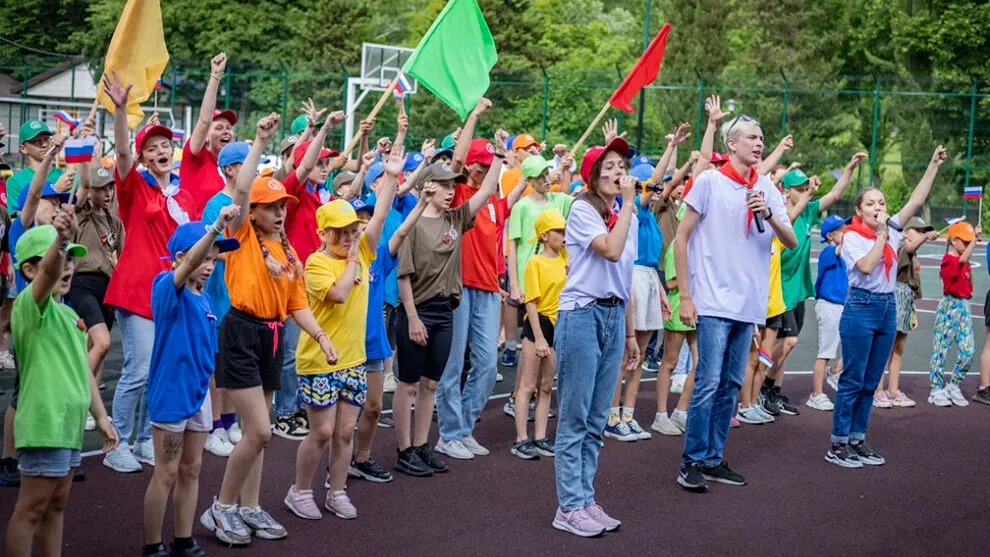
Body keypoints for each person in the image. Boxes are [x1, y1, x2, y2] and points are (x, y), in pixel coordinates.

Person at [200, 114, 335, 546]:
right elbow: (240, 190)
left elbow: (297, 305)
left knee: (260, 437)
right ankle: (220, 509)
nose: (280, 213)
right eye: (272, 208)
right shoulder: (239, 234)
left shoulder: (287, 249)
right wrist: (260, 140)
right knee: (258, 430)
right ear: (252, 212)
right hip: (240, 332)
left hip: (271, 337)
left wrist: (320, 335)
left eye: (283, 208)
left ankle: (251, 507)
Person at [674, 115, 796, 493]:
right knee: (708, 381)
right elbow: (681, 237)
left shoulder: (767, 190)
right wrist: (687, 296)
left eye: (762, 138)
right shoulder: (710, 181)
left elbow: (790, 240)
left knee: (730, 382)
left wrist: (770, 214)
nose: (759, 144)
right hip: (712, 300)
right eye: (752, 138)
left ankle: (712, 457)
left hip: (748, 303)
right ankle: (691, 460)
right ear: (732, 144)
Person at [284, 147, 400, 521]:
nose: (352, 237)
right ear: (325, 234)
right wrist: (351, 260)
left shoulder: (362, 250)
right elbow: (338, 294)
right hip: (319, 360)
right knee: (321, 431)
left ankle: (336, 490)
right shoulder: (316, 263)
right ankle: (299, 491)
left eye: (354, 230)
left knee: (346, 430)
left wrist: (393, 176)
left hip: (353, 358)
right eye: (343, 233)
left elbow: (380, 216)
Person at [101, 72, 199, 474]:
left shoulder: (186, 196)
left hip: (172, 293)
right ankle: (116, 440)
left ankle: (145, 438)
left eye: (166, 145)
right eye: (152, 147)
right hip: (138, 289)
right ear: (144, 158)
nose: (161, 151)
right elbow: (121, 155)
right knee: (138, 368)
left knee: (160, 368)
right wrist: (122, 110)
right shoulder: (135, 188)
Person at [826, 145, 945, 469]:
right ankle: (838, 444)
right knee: (852, 379)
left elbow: (916, 200)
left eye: (881, 202)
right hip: (860, 308)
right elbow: (865, 267)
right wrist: (881, 236)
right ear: (859, 210)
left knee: (870, 380)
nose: (878, 206)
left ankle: (857, 439)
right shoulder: (852, 237)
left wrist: (933, 164)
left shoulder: (891, 229)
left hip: (886, 307)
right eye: (871, 203)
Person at [5, 220, 118, 557]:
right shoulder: (30, 306)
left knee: (56, 506)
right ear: (29, 269)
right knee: (31, 509)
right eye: (59, 259)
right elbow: (44, 280)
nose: (67, 266)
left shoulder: (69, 317)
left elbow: (82, 371)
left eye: (71, 259)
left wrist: (101, 417)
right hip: (44, 426)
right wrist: (61, 242)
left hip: (66, 429)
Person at [551, 136, 639, 538]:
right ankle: (568, 506)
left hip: (613, 314)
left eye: (623, 166)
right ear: (592, 176)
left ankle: (585, 499)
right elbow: (611, 251)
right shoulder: (583, 209)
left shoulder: (626, 213)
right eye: (610, 166)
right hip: (582, 314)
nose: (619, 173)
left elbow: (626, 275)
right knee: (574, 414)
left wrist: (632, 330)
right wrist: (629, 206)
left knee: (597, 418)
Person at [143, 209, 241, 557]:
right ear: (182, 257)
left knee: (192, 468)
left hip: (198, 395)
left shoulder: (206, 298)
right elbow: (182, 272)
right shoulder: (167, 288)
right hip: (171, 394)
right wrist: (216, 226)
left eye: (215, 258)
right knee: (165, 473)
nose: (210, 264)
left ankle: (183, 539)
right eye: (204, 256)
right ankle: (152, 546)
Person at [392, 153, 498, 477]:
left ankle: (423, 446)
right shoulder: (413, 223)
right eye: (443, 185)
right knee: (407, 384)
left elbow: (485, 192)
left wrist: (500, 157)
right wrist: (412, 318)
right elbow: (403, 276)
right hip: (416, 311)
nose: (451, 190)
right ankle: (404, 449)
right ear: (428, 187)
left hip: (444, 311)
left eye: (453, 185)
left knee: (430, 385)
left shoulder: (455, 219)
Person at [435, 101, 523, 461]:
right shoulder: (458, 194)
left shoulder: (493, 200)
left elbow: (513, 194)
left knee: (487, 366)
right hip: (457, 286)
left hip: (488, 289)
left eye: (488, 166)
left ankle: (463, 428)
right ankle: (448, 433)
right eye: (479, 165)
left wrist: (507, 156)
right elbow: (454, 164)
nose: (483, 171)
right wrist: (473, 117)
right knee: (453, 365)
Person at [766, 153, 866, 416]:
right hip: (779, 287)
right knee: (788, 342)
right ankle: (762, 385)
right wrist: (809, 194)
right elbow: (787, 225)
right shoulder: (781, 213)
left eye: (805, 188)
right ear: (786, 192)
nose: (804, 192)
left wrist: (849, 168)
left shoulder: (809, 210)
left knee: (787, 345)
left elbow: (834, 194)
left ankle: (775, 390)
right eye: (799, 189)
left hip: (797, 288)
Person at [349, 183, 436, 484]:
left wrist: (421, 205)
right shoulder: (330, 262)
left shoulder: (378, 257)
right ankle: (334, 473)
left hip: (373, 346)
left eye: (366, 220)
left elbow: (399, 234)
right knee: (341, 420)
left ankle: (360, 458)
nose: (362, 226)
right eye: (356, 222)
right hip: (344, 349)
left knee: (373, 408)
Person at [274, 111, 347, 441]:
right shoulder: (296, 193)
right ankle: (284, 412)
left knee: (312, 348)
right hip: (292, 283)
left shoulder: (326, 198)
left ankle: (303, 406)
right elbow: (301, 168)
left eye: (326, 162)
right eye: (319, 161)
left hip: (319, 284)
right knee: (290, 352)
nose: (323, 165)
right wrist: (325, 129)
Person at [504, 154, 573, 418]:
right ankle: (518, 395)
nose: (547, 178)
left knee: (546, 343)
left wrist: (564, 169)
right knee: (531, 340)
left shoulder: (556, 200)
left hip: (552, 283)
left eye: (548, 173)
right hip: (528, 280)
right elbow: (513, 244)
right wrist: (514, 284)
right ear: (530, 180)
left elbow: (572, 199)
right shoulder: (521, 206)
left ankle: (535, 395)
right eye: (541, 175)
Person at [605, 171, 671, 442]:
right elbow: (650, 185)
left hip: (650, 279)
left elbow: (654, 260)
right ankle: (610, 416)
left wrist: (661, 293)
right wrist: (671, 147)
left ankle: (628, 415)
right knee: (624, 356)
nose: (657, 188)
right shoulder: (636, 212)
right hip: (633, 278)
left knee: (640, 354)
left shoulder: (650, 218)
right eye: (651, 185)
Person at [201, 141, 252, 458]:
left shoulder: (253, 201)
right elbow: (210, 247)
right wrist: (241, 257)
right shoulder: (215, 204)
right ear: (230, 169)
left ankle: (231, 421)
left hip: (241, 299)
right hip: (220, 298)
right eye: (246, 163)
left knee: (234, 364)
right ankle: (214, 426)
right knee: (216, 367)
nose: (254, 169)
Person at [70, 164, 125, 427]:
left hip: (108, 286)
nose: (107, 193)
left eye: (109, 187)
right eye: (100, 188)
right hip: (83, 283)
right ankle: (74, 396)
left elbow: (122, 258)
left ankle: (92, 407)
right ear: (90, 191)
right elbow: (79, 193)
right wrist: (86, 156)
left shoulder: (115, 223)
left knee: (97, 350)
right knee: (102, 342)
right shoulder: (80, 214)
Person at [512, 209, 567, 459]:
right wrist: (540, 337)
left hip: (559, 325)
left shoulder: (565, 257)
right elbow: (531, 303)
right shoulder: (534, 262)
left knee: (546, 386)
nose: (563, 236)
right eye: (559, 231)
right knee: (527, 385)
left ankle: (541, 437)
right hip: (540, 324)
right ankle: (521, 439)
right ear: (545, 236)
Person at [879, 217, 937, 408]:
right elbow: (910, 248)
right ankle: (877, 390)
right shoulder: (901, 246)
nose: (921, 234)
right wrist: (927, 237)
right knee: (886, 346)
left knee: (899, 347)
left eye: (923, 231)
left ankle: (893, 390)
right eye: (918, 230)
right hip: (895, 295)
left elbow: (912, 286)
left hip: (906, 300)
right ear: (905, 232)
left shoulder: (913, 256)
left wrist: (913, 311)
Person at [651, 210, 698, 435]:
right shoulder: (675, 248)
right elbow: (669, 283)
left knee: (701, 362)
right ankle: (661, 414)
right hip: (679, 307)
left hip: (697, 309)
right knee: (670, 361)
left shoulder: (699, 246)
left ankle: (681, 410)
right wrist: (690, 279)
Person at [926, 221, 981, 407]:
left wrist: (972, 241)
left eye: (968, 241)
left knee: (968, 351)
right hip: (949, 306)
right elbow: (963, 259)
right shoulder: (949, 260)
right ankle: (935, 389)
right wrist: (974, 241)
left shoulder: (963, 261)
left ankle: (954, 384)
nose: (967, 244)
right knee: (940, 349)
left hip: (964, 307)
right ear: (954, 240)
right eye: (964, 241)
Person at [181, 53, 237, 214]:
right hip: (197, 236)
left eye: (228, 127)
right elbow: (204, 121)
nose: (226, 131)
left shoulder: (232, 167)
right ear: (205, 136)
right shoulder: (196, 158)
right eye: (219, 128)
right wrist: (215, 76)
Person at [807, 215, 850, 411]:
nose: (846, 231)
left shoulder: (843, 255)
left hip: (841, 306)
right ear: (831, 235)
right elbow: (840, 250)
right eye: (842, 229)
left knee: (852, 343)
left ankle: (834, 371)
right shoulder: (828, 252)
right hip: (828, 305)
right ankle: (816, 394)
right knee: (825, 351)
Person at [5, 120, 65, 216]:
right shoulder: (15, 182)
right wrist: (56, 189)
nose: (44, 144)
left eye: (46, 139)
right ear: (23, 148)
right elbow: (20, 221)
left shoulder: (64, 176)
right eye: (36, 141)